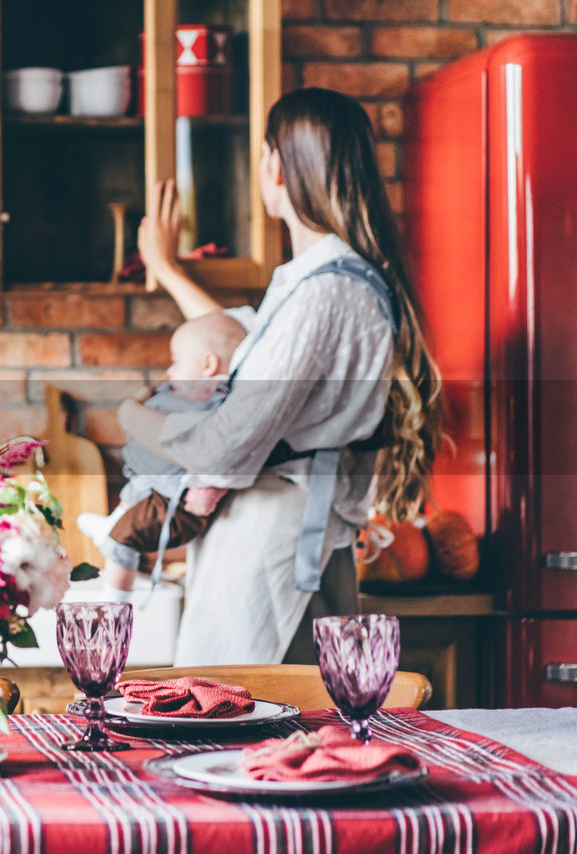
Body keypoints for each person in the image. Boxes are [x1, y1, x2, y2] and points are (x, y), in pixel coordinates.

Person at [120, 87, 443, 665]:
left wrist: (131, 416)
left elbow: (227, 441)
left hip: (276, 538)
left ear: (277, 165)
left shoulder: (329, 290)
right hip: (271, 531)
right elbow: (245, 348)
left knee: (252, 727)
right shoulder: (318, 282)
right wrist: (166, 269)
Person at [77, 311, 247, 594]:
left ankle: (115, 604)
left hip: (179, 498)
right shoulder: (194, 394)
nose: (170, 371)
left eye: (176, 362)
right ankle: (110, 524)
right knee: (135, 489)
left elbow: (224, 455)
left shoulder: (219, 403)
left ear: (208, 364)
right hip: (159, 484)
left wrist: (207, 488)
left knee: (123, 539)